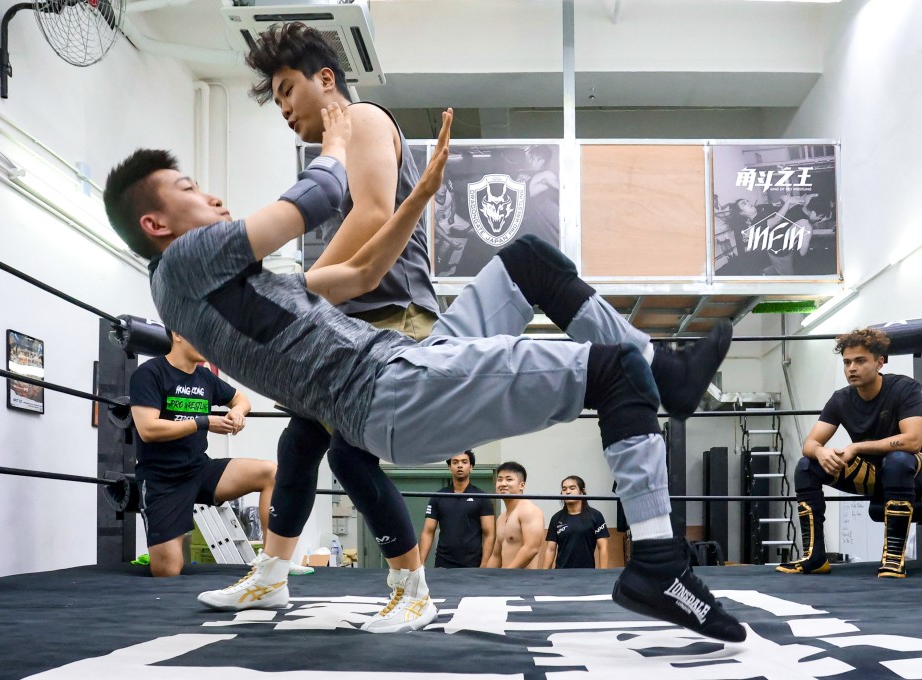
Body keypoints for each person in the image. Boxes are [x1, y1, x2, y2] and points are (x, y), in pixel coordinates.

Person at [103, 105, 745, 642]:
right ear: (156, 225)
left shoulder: (231, 287)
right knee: (613, 375)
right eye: (189, 190)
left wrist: (420, 196)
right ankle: (659, 563)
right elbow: (323, 193)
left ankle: (670, 374)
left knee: (527, 260)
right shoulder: (185, 261)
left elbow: (357, 275)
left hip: (408, 362)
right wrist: (336, 138)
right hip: (392, 392)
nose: (210, 195)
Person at [232, 22, 441, 632]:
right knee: (299, 444)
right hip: (352, 319)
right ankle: (271, 578)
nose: (284, 109)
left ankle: (413, 588)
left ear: (326, 80)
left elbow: (377, 213)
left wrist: (301, 289)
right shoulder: (334, 156)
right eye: (275, 101)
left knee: (350, 455)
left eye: (287, 90)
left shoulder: (369, 119)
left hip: (392, 314)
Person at [777, 328, 922, 578]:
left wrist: (855, 447)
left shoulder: (903, 388)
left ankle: (893, 557)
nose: (851, 368)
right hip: (871, 474)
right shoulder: (841, 399)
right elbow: (810, 443)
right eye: (847, 362)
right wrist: (821, 452)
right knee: (806, 465)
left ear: (879, 362)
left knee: (898, 460)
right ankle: (814, 556)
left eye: (860, 361)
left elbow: (913, 441)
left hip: (912, 472)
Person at [128, 331, 276, 577]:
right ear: (176, 334)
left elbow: (242, 399)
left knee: (270, 472)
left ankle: (272, 561)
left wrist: (238, 412)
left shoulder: (205, 377)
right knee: (166, 571)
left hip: (200, 470)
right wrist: (203, 422)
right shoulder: (149, 373)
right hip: (163, 480)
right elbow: (148, 429)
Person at [418, 450, 495, 568]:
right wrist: (420, 562)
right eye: (455, 462)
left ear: (471, 467)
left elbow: (489, 534)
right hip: (443, 563)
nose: (460, 465)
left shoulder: (482, 497)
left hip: (472, 565)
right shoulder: (438, 497)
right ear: (450, 467)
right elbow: (428, 532)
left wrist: (484, 565)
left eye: (464, 462)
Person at [543, 476, 611, 569]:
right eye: (564, 489)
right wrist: (544, 575)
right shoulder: (556, 518)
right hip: (560, 575)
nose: (567, 492)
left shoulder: (595, 516)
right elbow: (550, 550)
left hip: (587, 575)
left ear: (582, 492)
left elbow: (603, 548)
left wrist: (604, 574)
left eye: (572, 488)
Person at [488, 462, 545, 569]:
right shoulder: (501, 518)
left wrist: (507, 573)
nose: (503, 483)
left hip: (524, 582)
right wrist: (485, 579)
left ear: (521, 485)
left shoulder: (529, 510)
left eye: (509, 479)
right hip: (505, 582)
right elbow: (496, 556)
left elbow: (531, 548)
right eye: (500, 479)